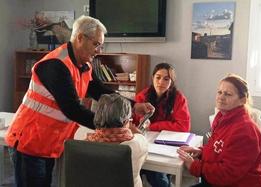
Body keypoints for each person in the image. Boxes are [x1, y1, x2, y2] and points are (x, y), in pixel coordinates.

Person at [5, 15, 153, 187]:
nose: (99, 50)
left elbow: (102, 92)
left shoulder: (84, 65)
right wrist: (114, 129)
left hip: (49, 142)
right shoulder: (56, 65)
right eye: (96, 44)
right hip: (30, 141)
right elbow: (72, 109)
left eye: (101, 45)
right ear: (80, 37)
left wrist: (135, 106)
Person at [178, 74, 261, 187]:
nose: (221, 97)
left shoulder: (245, 130)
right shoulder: (222, 117)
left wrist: (195, 166)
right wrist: (201, 152)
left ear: (242, 100)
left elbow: (228, 173)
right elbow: (220, 149)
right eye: (219, 92)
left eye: (228, 94)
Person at [134, 62, 191, 187]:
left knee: (158, 177)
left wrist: (154, 126)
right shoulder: (142, 96)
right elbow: (134, 122)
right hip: (144, 143)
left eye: (166, 79)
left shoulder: (179, 98)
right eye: (158, 77)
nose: (161, 82)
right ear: (152, 78)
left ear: (172, 82)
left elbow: (183, 127)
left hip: (166, 146)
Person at [86, 93, 148, 187]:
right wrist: (135, 131)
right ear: (126, 121)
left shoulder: (84, 144)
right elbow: (142, 141)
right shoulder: (137, 144)